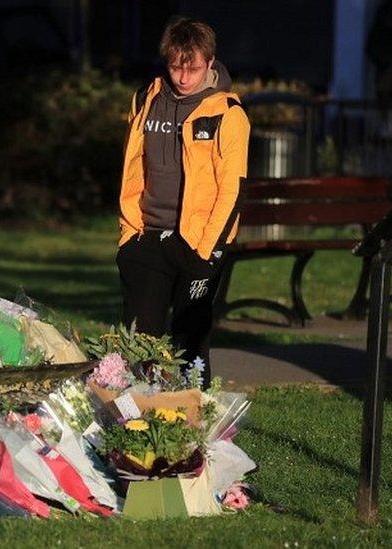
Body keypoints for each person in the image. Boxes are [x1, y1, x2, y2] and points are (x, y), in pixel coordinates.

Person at [116, 17, 250, 385]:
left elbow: (232, 190)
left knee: (191, 347)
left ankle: (196, 428)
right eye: (176, 66)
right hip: (146, 236)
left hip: (197, 244)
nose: (183, 77)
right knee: (138, 347)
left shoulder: (228, 114)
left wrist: (207, 251)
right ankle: (136, 424)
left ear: (210, 63)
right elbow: (132, 168)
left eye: (191, 68)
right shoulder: (146, 100)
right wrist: (129, 234)